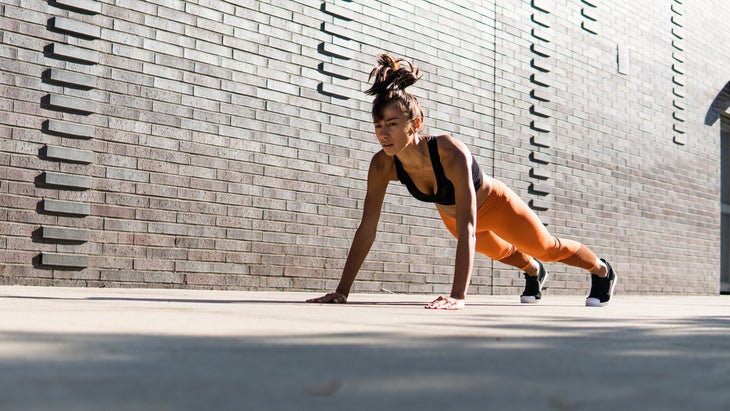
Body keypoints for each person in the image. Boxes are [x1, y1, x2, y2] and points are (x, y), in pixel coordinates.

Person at [306, 53, 617, 310]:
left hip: (494, 205)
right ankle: (534, 272)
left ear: (415, 123)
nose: (383, 133)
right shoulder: (382, 165)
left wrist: (458, 296)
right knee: (505, 254)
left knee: (547, 247)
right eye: (378, 125)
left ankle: (602, 270)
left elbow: (470, 224)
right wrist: (342, 290)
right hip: (452, 216)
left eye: (392, 124)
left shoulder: (449, 151)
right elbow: (367, 228)